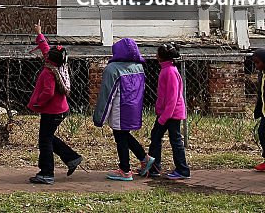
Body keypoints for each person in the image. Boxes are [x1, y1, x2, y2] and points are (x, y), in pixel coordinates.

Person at [28, 20, 82, 185]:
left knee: (44, 141)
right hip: (60, 109)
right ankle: (72, 158)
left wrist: (37, 104)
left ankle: (46, 173)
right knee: (48, 137)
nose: (46, 53)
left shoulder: (48, 72)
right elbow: (46, 50)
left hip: (51, 111)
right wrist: (39, 34)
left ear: (49, 59)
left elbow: (48, 93)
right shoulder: (59, 65)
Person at [93, 37, 153, 181]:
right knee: (124, 135)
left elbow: (107, 95)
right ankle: (144, 158)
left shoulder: (112, 69)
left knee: (120, 137)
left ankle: (125, 170)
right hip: (134, 107)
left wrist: (99, 117)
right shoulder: (139, 67)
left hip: (120, 108)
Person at [146, 42, 190, 180]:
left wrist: (164, 117)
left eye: (157, 53)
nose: (155, 55)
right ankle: (154, 167)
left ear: (161, 56)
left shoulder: (170, 71)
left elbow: (172, 97)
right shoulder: (167, 69)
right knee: (156, 137)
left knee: (174, 140)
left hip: (171, 114)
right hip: (166, 113)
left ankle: (182, 169)